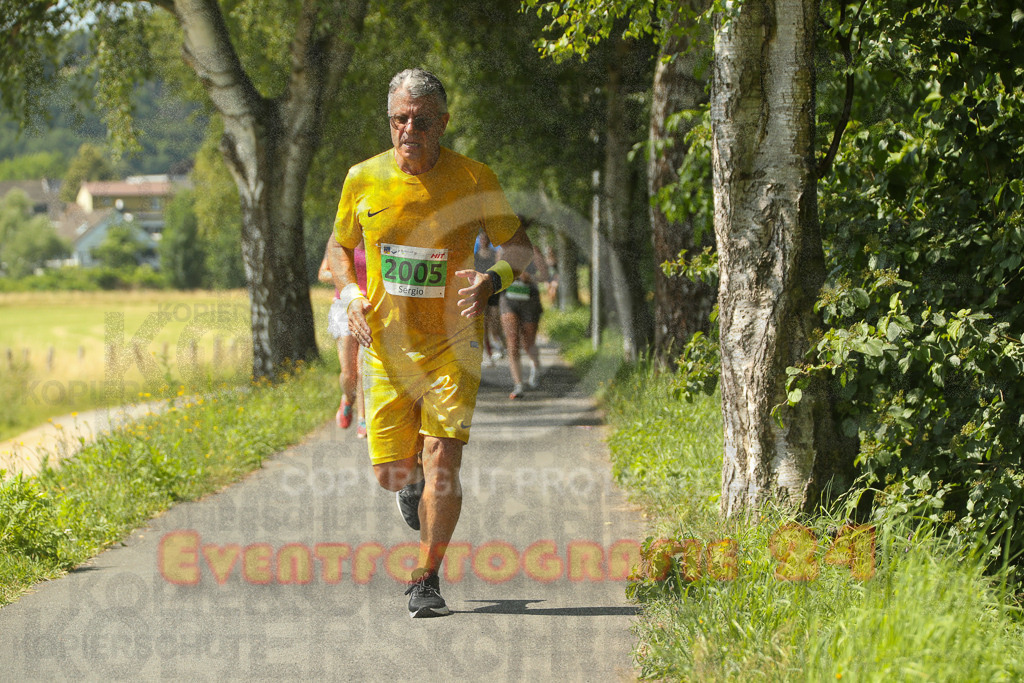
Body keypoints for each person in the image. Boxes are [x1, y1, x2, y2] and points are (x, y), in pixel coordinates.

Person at [327, 68, 533, 618]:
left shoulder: (473, 179)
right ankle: (408, 480)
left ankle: (426, 577)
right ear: (389, 122)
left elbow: (520, 249)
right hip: (387, 349)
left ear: (443, 122)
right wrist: (350, 297)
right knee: (391, 473)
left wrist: (493, 282)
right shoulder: (362, 179)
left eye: (420, 120)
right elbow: (336, 250)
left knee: (445, 458)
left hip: (454, 344)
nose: (409, 129)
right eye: (399, 119)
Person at [319, 238, 367, 437]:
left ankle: (363, 419)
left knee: (363, 367)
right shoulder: (339, 236)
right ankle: (348, 398)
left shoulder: (379, 231)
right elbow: (323, 274)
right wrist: (346, 278)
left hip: (370, 308)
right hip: (344, 307)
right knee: (349, 374)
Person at [500, 238, 547, 399]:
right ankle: (518, 384)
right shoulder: (503, 250)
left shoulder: (533, 251)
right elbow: (494, 276)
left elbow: (545, 276)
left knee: (528, 344)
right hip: (509, 300)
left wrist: (531, 278)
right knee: (512, 341)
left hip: (530, 301)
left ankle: (535, 367)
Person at [473, 230, 506, 364]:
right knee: (483, 325)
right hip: (480, 293)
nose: (483, 240)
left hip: (494, 292)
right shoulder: (475, 256)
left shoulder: (494, 255)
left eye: (485, 238)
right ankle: (488, 354)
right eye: (481, 238)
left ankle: (500, 345)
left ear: (489, 240)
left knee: (494, 323)